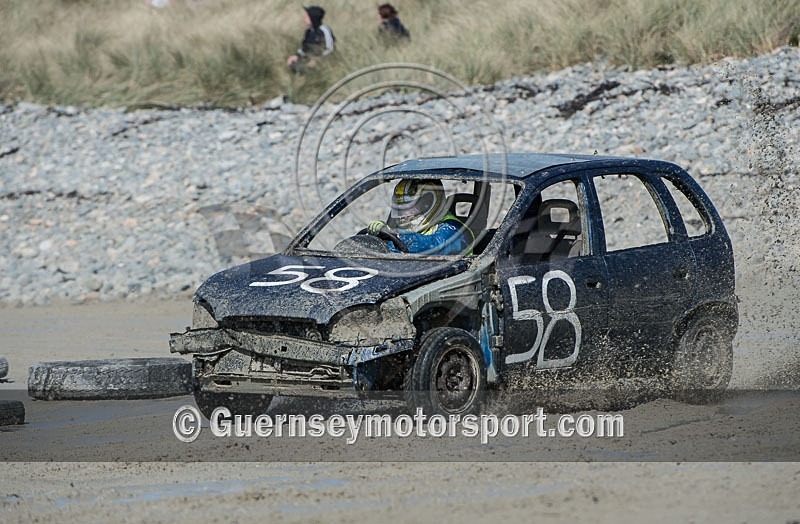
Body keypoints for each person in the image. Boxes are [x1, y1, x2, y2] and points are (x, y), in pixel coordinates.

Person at [367, 179, 473, 255]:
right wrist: (376, 236)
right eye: (401, 206)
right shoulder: (408, 227)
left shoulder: (455, 230)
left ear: (428, 203)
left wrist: (386, 241)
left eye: (411, 205)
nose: (404, 212)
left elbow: (431, 246)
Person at [286, 6, 336, 73]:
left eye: (307, 16)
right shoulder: (308, 32)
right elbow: (304, 48)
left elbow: (330, 49)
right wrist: (296, 56)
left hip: (323, 63)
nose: (304, 18)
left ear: (313, 18)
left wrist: (317, 60)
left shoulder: (324, 30)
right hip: (308, 61)